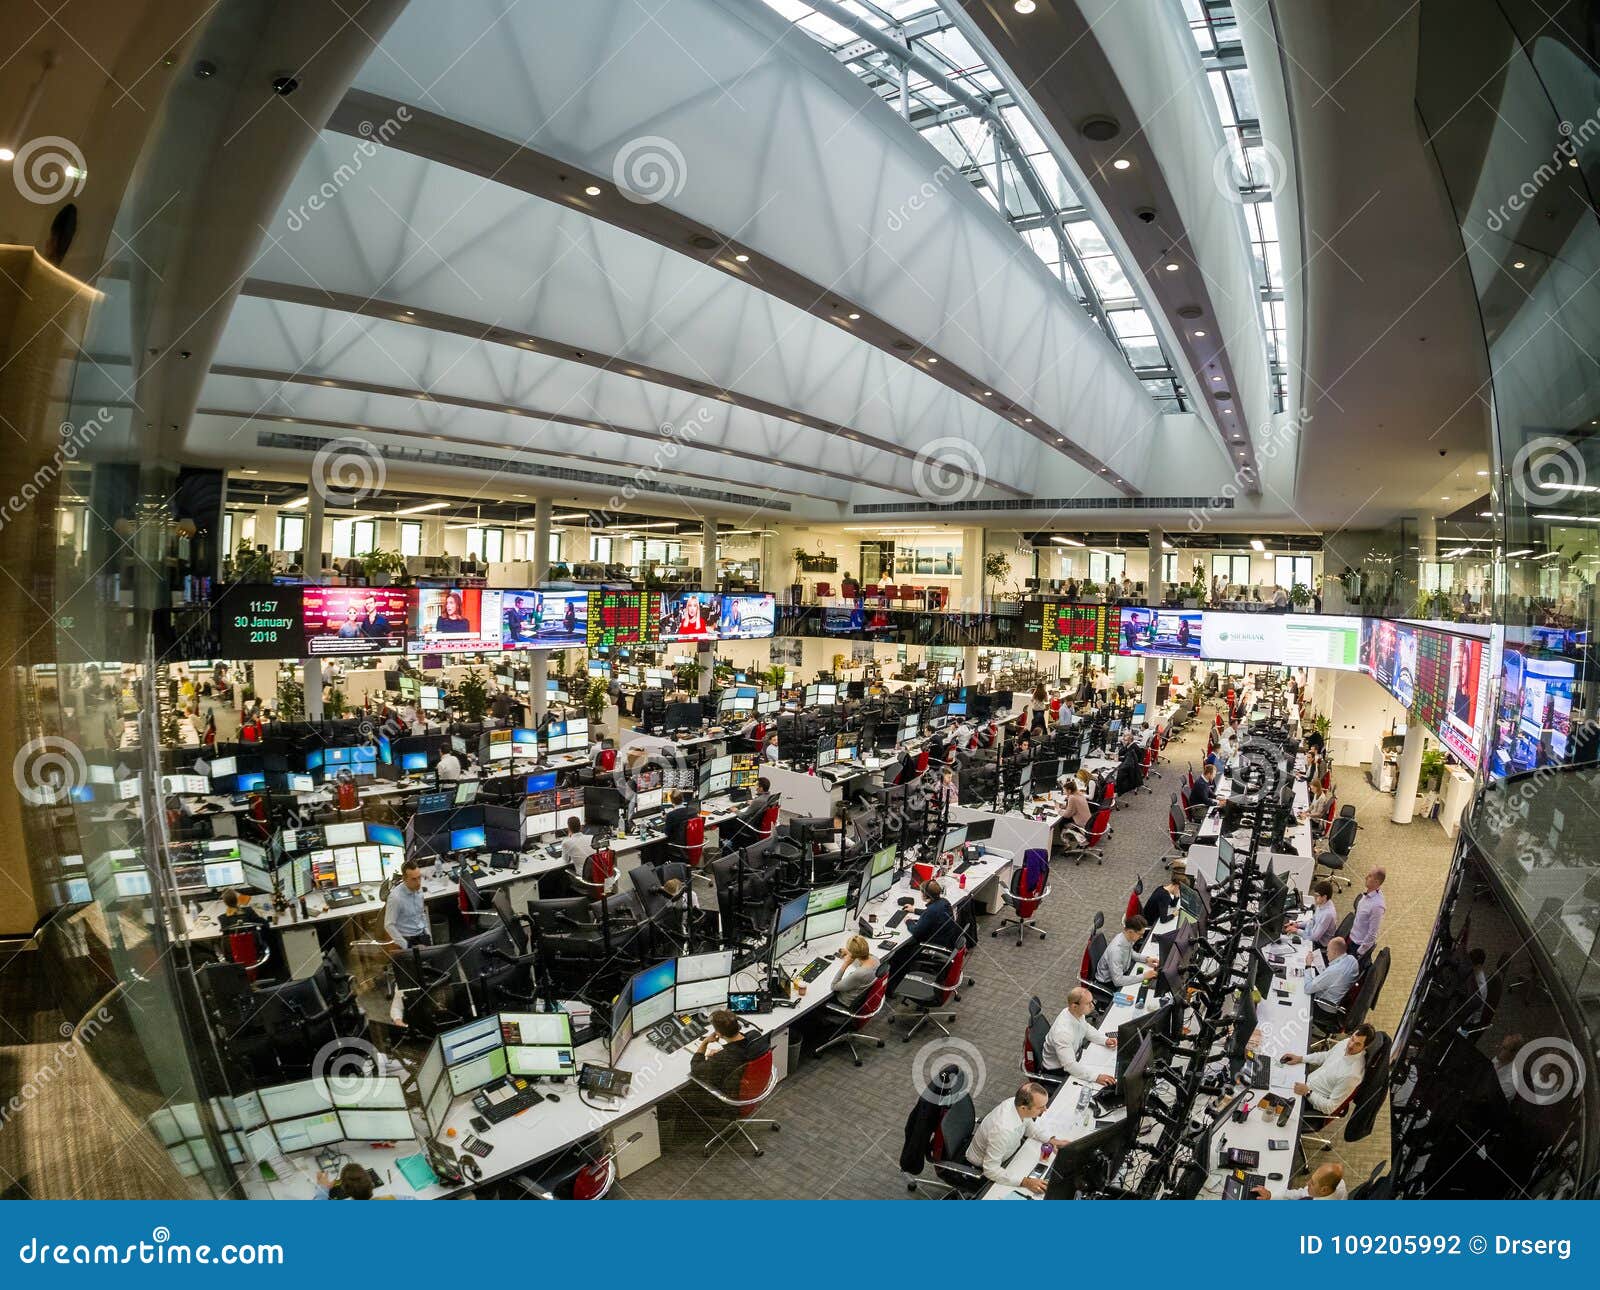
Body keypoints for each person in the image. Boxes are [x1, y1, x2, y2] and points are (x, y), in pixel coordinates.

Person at [967, 1083, 1071, 1192]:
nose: (1045, 1110)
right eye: (1041, 1107)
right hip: (984, 1166)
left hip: (1007, 1155)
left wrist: (1052, 1140)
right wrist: (1025, 1182)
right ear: (1024, 1107)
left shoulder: (1016, 1103)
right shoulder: (1002, 1131)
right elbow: (990, 1169)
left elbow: (1030, 1128)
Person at [1280, 1024, 1374, 1113]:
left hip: (1308, 1100)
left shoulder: (1352, 1075)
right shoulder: (1346, 1042)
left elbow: (1330, 1108)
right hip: (1304, 1081)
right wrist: (1300, 1058)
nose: (1350, 1045)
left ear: (1365, 1047)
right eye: (1352, 1039)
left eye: (1357, 1044)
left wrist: (1307, 1092)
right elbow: (1326, 1056)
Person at [687, 1008, 771, 1106]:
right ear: (738, 1026)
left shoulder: (722, 1058)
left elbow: (695, 1069)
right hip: (755, 1086)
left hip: (735, 1099)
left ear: (718, 1034)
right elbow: (740, 1049)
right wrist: (722, 1053)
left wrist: (705, 1042)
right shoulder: (755, 1036)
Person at [1042, 986, 1117, 1086]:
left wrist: (1104, 1040)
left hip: (1074, 1055)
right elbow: (1070, 1066)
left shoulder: (1074, 1012)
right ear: (1074, 1006)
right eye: (1088, 1003)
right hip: (1058, 1069)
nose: (1093, 1006)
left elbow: (1085, 1028)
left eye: (1092, 1002)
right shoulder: (1062, 1033)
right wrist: (1096, 1077)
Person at [1097, 914, 1158, 988]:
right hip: (1109, 982)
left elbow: (1130, 952)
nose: (1141, 937)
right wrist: (1144, 976)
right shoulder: (1116, 951)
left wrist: (1146, 959)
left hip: (1121, 972)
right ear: (1130, 931)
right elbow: (1118, 981)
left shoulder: (1126, 938)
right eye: (1140, 934)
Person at [1304, 936, 1360, 1014]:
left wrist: (1308, 965)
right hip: (1338, 999)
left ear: (1335, 953)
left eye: (1327, 951)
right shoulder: (1353, 960)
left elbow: (1307, 989)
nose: (1326, 954)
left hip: (1323, 1007)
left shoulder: (1333, 971)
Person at [904, 878, 961, 954]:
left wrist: (908, 921)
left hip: (936, 944)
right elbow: (934, 913)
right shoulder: (944, 901)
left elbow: (916, 932)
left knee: (902, 952)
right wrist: (914, 910)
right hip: (947, 939)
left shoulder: (931, 911)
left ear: (925, 895)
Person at [383, 859, 430, 949]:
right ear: (404, 879)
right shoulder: (396, 898)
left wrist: (428, 933)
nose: (418, 882)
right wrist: (407, 946)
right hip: (407, 939)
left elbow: (421, 913)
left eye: (419, 877)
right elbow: (388, 925)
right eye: (414, 879)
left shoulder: (418, 889)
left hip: (422, 933)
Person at [1251, 1162, 1346, 1200]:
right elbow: (1301, 1193)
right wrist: (1271, 1196)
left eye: (1312, 1183)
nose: (1307, 1183)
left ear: (1324, 1190)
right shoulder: (1339, 1183)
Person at [1349, 867, 1387, 959]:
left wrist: (1360, 952)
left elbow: (1372, 933)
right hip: (1351, 937)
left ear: (1377, 882)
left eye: (1370, 876)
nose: (1366, 877)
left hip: (1358, 946)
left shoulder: (1377, 906)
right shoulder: (1368, 893)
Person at [1288, 879, 1337, 947]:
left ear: (1324, 897)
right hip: (1313, 931)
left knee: (1289, 942)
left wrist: (1296, 931)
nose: (1315, 898)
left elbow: (1314, 938)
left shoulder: (1327, 914)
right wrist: (1297, 925)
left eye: (1317, 896)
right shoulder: (1323, 903)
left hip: (1320, 943)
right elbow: (1313, 920)